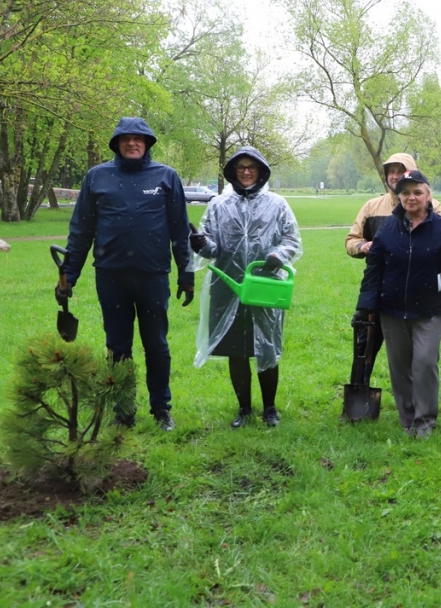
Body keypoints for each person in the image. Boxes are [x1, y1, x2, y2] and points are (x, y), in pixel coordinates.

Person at [56, 117, 194, 431]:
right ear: (117, 143)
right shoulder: (97, 177)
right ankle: (124, 412)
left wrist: (186, 274)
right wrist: (69, 275)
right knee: (118, 347)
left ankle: (161, 410)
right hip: (111, 277)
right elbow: (81, 231)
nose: (132, 143)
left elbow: (179, 230)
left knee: (157, 345)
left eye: (139, 139)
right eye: (126, 138)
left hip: (153, 277)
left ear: (147, 143)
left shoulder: (165, 177)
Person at [190, 147, 302, 428]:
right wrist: (202, 245)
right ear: (233, 172)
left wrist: (278, 256)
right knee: (237, 350)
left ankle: (270, 407)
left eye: (252, 167)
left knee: (267, 347)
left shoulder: (277, 204)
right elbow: (213, 246)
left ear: (262, 171)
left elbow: (292, 239)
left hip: (265, 284)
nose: (247, 171)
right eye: (241, 167)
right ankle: (244, 408)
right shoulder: (218, 205)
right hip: (228, 287)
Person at [354, 170, 441, 438]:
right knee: (400, 366)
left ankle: (424, 421)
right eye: (405, 193)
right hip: (391, 311)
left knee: (425, 363)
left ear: (428, 196)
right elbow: (374, 271)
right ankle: (408, 419)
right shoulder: (388, 230)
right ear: (399, 196)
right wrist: (365, 306)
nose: (411, 197)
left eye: (417, 192)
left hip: (428, 312)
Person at [345, 153, 441, 386]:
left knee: (414, 351)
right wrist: (362, 246)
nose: (395, 176)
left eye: (400, 170)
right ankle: (359, 391)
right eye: (391, 171)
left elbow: (439, 243)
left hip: (414, 289)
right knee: (365, 342)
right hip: (376, 288)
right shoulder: (372, 206)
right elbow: (351, 240)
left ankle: (416, 401)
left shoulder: (432, 206)